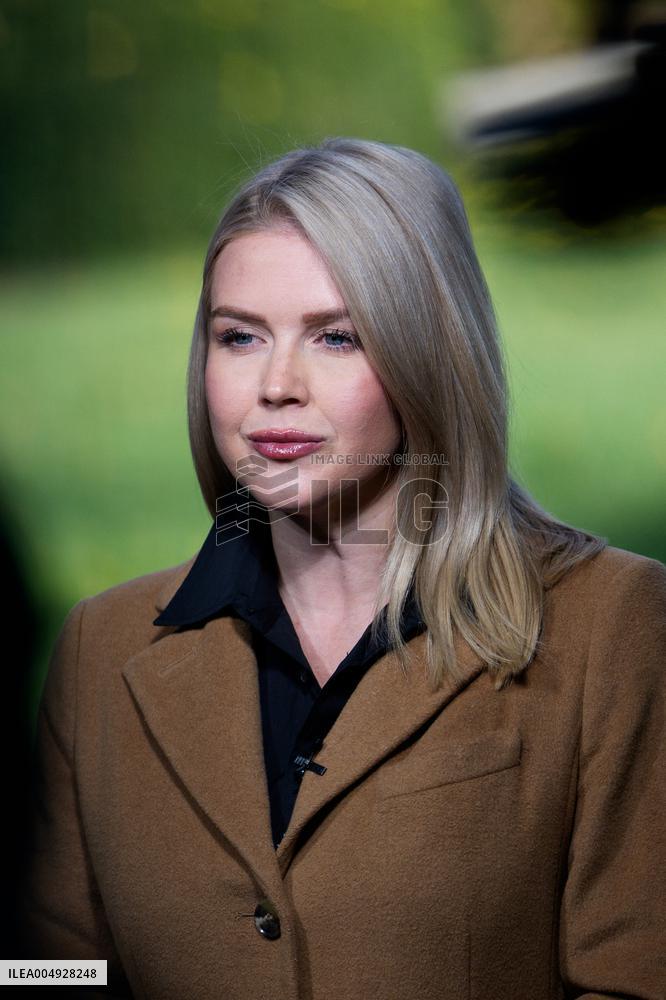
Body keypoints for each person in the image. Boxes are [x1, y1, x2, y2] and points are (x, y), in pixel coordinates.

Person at [18, 137, 666, 1000]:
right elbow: (45, 971)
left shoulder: (613, 623)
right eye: (240, 336)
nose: (276, 385)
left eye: (336, 337)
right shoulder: (101, 646)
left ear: (428, 358)